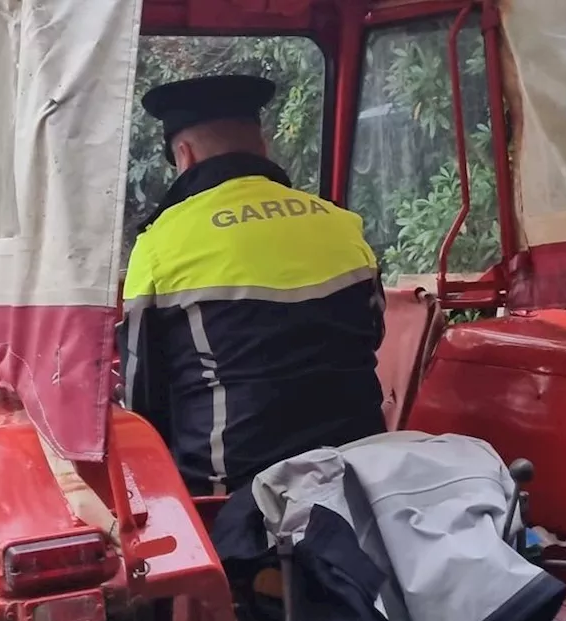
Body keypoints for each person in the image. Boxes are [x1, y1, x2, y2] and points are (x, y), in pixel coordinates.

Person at [120, 74, 387, 497]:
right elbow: (371, 336)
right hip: (356, 470)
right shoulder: (341, 224)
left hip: (232, 492)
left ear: (184, 156)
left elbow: (141, 400)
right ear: (262, 147)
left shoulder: (158, 245)